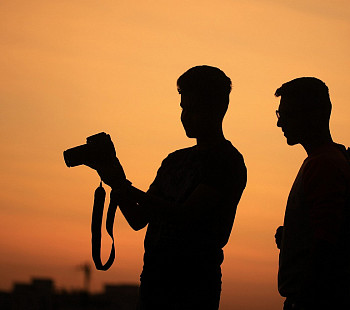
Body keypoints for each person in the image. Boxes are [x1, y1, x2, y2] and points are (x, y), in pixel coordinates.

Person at [87, 65, 247, 309]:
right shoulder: (174, 160)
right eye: (183, 108)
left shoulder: (226, 160)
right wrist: (116, 182)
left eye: (193, 109)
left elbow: (186, 215)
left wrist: (124, 186)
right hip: (153, 280)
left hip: (194, 286)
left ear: (216, 109)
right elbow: (139, 219)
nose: (185, 116)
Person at [274, 77, 350, 310]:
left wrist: (305, 298)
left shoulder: (323, 164)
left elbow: (326, 241)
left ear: (313, 115)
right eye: (279, 114)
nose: (280, 123)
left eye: (286, 114)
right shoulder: (323, 161)